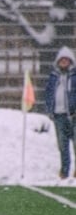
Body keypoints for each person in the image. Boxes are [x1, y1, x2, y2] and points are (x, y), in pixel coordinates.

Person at [44, 46, 76, 179]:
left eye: (66, 60)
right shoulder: (53, 77)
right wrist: (49, 110)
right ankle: (64, 170)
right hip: (58, 116)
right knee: (63, 146)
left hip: (73, 116)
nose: (64, 63)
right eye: (61, 60)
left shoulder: (74, 77)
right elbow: (48, 93)